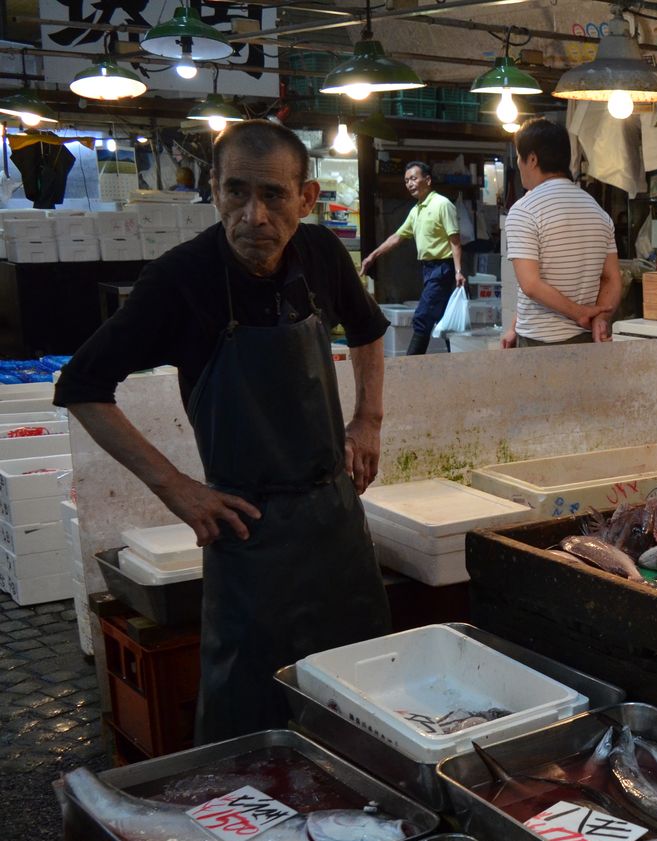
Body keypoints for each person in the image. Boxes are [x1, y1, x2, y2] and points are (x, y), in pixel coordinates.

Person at [53, 120, 391, 743]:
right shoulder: (180, 279)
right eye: (235, 192)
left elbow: (369, 330)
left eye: (273, 196)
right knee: (249, 707)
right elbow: (81, 387)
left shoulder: (320, 254)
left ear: (306, 199)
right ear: (213, 189)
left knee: (359, 693)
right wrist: (175, 487)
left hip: (335, 518)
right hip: (247, 528)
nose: (253, 215)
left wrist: (367, 419)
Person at [500, 119, 621, 348]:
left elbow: (531, 284)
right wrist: (600, 319)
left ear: (532, 159)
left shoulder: (524, 211)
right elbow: (612, 278)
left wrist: (580, 313)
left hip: (539, 342)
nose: (518, 164)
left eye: (519, 156)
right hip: (586, 340)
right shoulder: (597, 211)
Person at [361, 161, 465, 355]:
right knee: (442, 317)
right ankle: (455, 360)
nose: (409, 183)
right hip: (428, 269)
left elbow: (455, 241)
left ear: (427, 180)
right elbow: (397, 237)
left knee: (422, 317)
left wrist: (459, 271)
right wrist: (373, 256)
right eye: (407, 180)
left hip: (443, 268)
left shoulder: (442, 204)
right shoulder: (416, 210)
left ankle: (410, 363)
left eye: (414, 178)